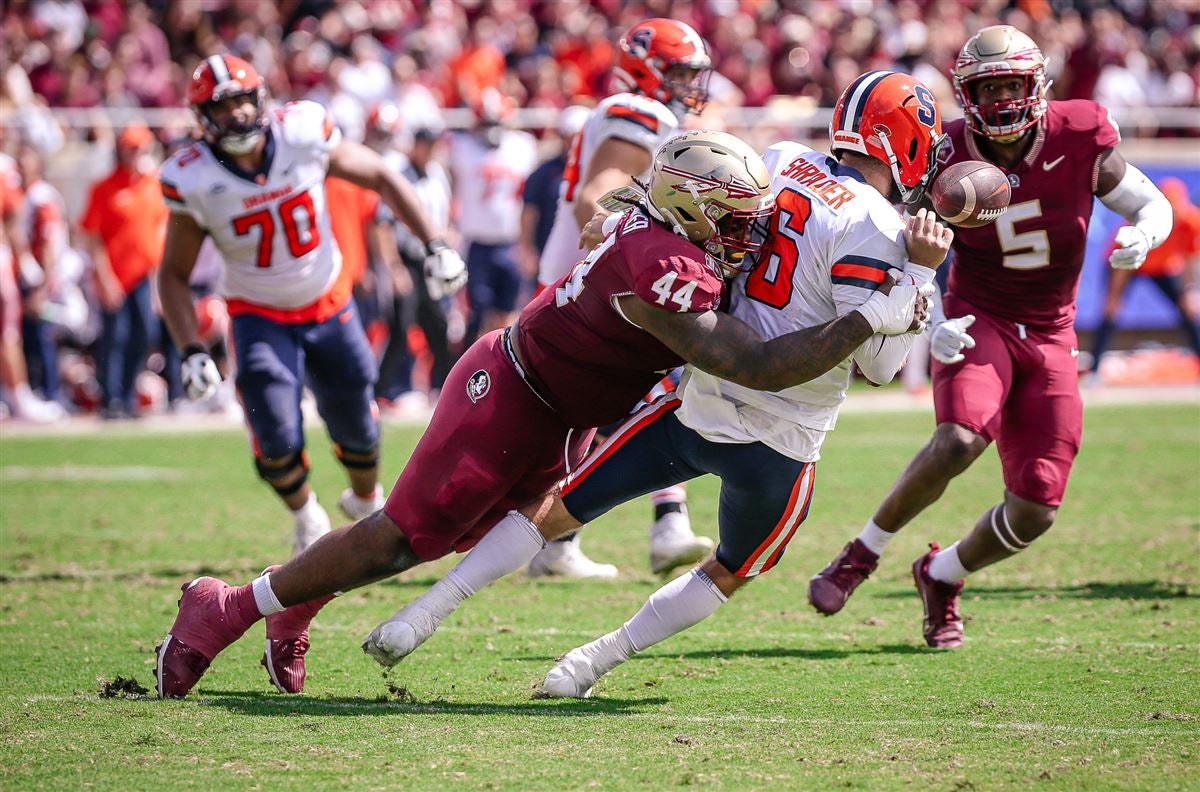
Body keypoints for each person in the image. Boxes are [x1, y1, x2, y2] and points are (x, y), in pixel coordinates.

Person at [153, 128, 931, 699]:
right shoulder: (660, 262)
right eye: (733, 221)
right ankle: (223, 609)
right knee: (404, 535)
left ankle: (298, 603)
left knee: (451, 538)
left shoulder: (675, 235)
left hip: (565, 414)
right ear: (688, 210)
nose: (748, 235)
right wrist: (876, 316)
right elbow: (752, 362)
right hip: (517, 392)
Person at [356, 73, 951, 693]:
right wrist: (918, 279)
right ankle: (589, 663)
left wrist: (621, 221)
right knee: (731, 568)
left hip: (698, 397)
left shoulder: (779, 160)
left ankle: (419, 616)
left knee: (558, 508)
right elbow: (879, 368)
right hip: (784, 431)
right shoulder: (879, 229)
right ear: (905, 143)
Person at [806, 26, 1173, 648]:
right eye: (988, 87)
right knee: (957, 439)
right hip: (980, 316)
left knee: (1035, 508)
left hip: (1055, 330)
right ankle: (861, 554)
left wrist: (1146, 233)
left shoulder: (1079, 130)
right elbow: (895, 241)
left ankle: (941, 574)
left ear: (1037, 85)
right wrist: (933, 317)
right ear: (965, 93)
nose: (1002, 99)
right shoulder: (940, 152)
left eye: (1011, 84)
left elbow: (1148, 202)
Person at [156, 55, 465, 570]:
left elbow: (383, 177)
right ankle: (307, 519)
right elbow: (172, 274)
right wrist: (189, 348)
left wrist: (434, 243)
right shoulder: (193, 177)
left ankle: (367, 505)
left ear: (261, 100)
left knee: (358, 424)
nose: (235, 115)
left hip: (327, 300)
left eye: (241, 101)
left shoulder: (302, 133)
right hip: (257, 314)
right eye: (221, 106)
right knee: (274, 431)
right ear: (202, 117)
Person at [530, 18, 717, 580]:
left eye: (693, 73)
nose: (691, 86)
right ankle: (644, 528)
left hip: (585, 286)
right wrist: (628, 257)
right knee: (651, 397)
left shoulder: (642, 115)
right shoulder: (637, 113)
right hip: (592, 290)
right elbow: (594, 196)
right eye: (680, 72)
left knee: (649, 396)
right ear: (645, 70)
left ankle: (658, 525)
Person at [78, 124, 172, 419]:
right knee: (114, 337)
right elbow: (93, 236)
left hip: (143, 273)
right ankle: (111, 398)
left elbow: (157, 232)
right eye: (131, 148)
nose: (136, 153)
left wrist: (158, 283)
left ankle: (128, 392)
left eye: (139, 147)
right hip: (115, 274)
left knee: (145, 333)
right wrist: (105, 278)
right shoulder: (105, 187)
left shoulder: (152, 184)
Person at [449, 88, 537, 346]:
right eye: (486, 122)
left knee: (508, 313)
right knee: (476, 310)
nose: (491, 129)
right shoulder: (462, 148)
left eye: (495, 122)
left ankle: (502, 368)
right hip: (477, 242)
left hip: (510, 242)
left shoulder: (522, 147)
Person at [1089, 177, 1200, 376]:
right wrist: (1113, 296)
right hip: (1128, 263)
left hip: (1163, 267)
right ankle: (1095, 370)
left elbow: (1191, 258)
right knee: (1110, 312)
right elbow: (1121, 260)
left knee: (1188, 310)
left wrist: (1189, 290)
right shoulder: (1141, 224)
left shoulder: (1192, 222)